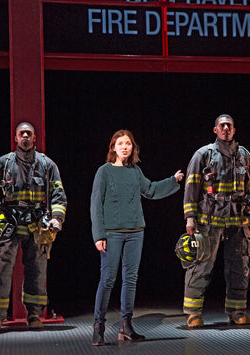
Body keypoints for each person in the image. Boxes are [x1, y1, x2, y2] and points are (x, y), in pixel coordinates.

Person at [90, 129, 184, 345]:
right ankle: (99, 326)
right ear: (113, 147)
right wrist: (99, 235)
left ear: (133, 148)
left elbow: (150, 190)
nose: (125, 147)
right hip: (112, 233)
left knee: (130, 280)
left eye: (129, 144)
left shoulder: (135, 171)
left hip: (135, 232)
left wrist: (173, 180)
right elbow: (95, 205)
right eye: (121, 143)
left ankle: (126, 325)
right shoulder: (104, 172)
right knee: (108, 279)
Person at [0, 122, 67, 333]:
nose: (25, 136)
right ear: (16, 138)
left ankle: (34, 316)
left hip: (37, 225)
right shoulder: (2, 164)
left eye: (29, 133)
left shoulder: (47, 165)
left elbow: (58, 195)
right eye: (21, 133)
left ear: (34, 138)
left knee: (37, 270)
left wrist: (56, 219)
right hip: (8, 225)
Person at [182, 113, 250, 328]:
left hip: (239, 223)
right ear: (215, 130)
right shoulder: (203, 155)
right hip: (208, 222)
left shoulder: (244, 156)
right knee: (200, 267)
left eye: (230, 125)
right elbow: (191, 189)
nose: (226, 128)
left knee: (239, 266)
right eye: (222, 125)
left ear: (234, 129)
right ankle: (193, 313)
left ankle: (237, 311)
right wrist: (190, 219)